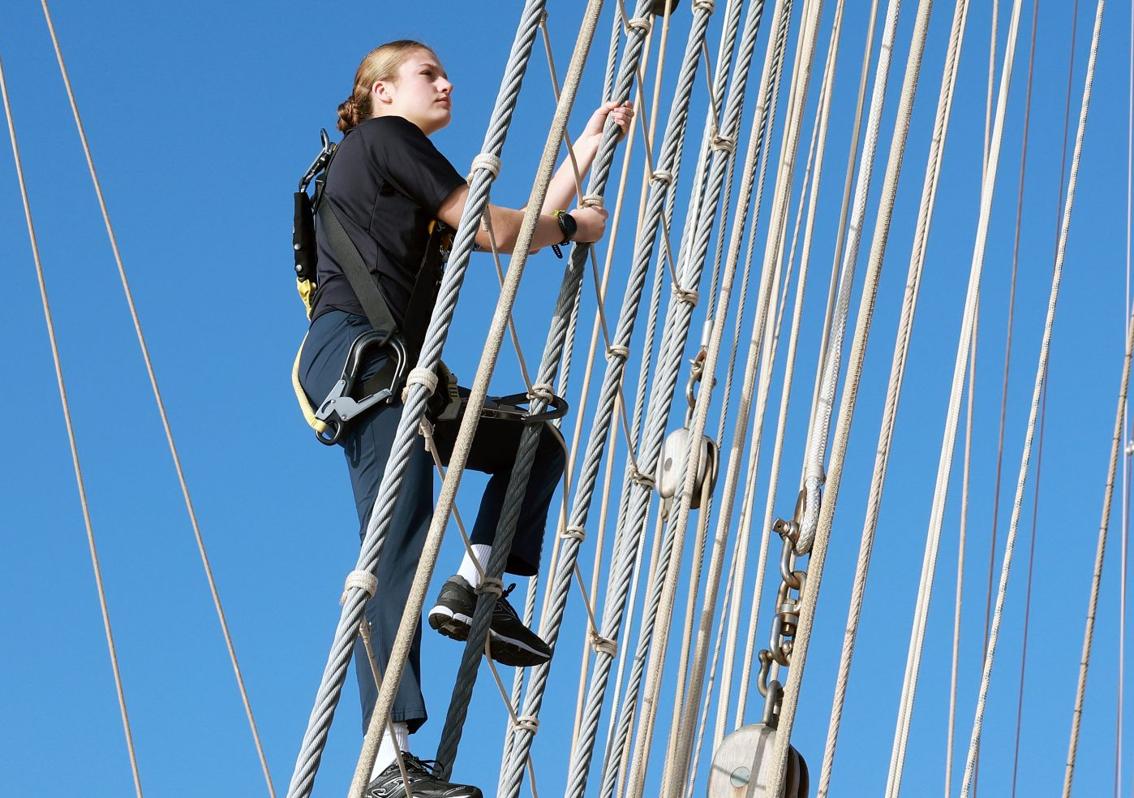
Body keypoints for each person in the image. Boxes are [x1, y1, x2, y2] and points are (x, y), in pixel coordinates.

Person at [298, 40, 632, 797]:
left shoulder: (400, 175)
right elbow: (500, 232)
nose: (447, 80)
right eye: (426, 73)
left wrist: (587, 143)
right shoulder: (386, 140)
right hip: (367, 366)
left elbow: (510, 224)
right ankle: (387, 763)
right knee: (400, 533)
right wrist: (578, 228)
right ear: (381, 94)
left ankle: (475, 584)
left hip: (405, 372)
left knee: (532, 446)